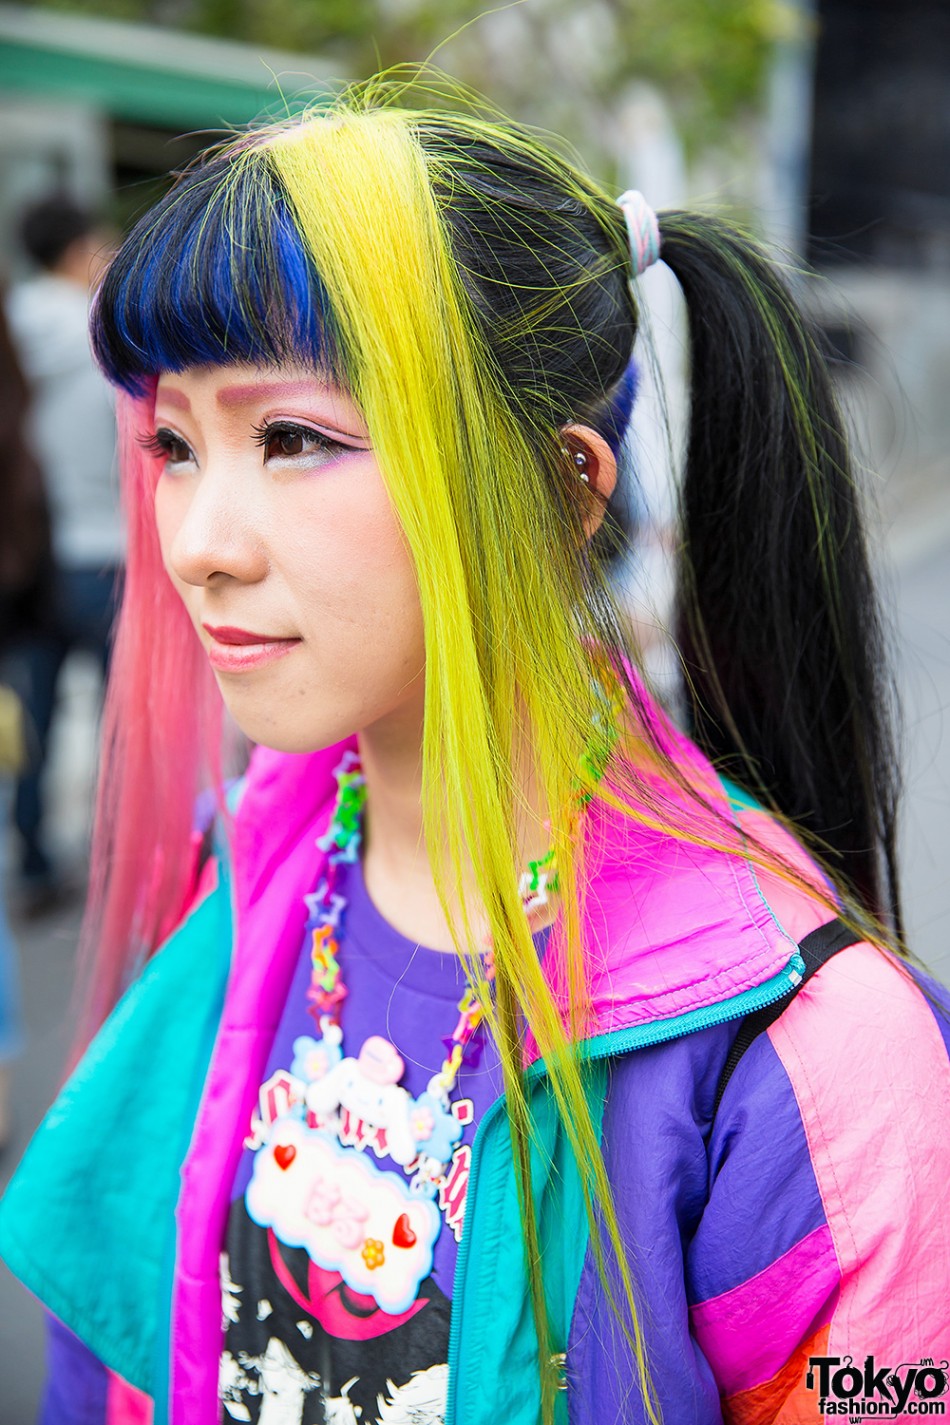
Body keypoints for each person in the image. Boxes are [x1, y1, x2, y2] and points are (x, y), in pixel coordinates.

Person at [1, 86, 948, 1425]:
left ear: (564, 485)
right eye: (173, 442)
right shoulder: (243, 866)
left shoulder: (814, 1059)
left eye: (290, 438)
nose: (198, 540)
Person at [4, 194, 120, 907]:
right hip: (108, 553)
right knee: (121, 725)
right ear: (78, 251)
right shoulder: (104, 336)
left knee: (35, 716)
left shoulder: (10, 334)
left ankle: (33, 861)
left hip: (29, 563)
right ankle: (118, 861)